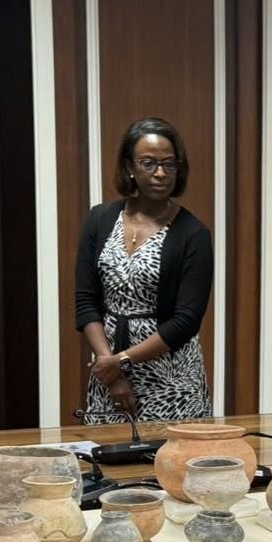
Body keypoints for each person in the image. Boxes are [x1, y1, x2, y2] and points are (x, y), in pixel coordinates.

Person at [75, 117, 213, 423]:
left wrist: (121, 362)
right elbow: (87, 303)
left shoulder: (194, 234)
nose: (161, 173)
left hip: (171, 379)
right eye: (149, 163)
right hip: (107, 374)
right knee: (108, 465)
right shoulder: (99, 220)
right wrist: (109, 368)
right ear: (129, 167)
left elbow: (186, 321)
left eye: (170, 164)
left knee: (169, 463)